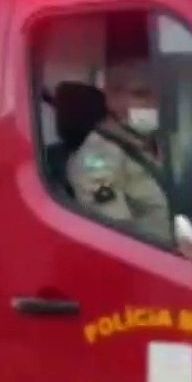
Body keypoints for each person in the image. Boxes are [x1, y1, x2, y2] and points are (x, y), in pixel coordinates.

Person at [67, 59, 171, 245]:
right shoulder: (98, 158)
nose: (154, 103)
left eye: (159, 94)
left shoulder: (152, 143)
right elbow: (115, 235)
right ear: (112, 100)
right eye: (141, 94)